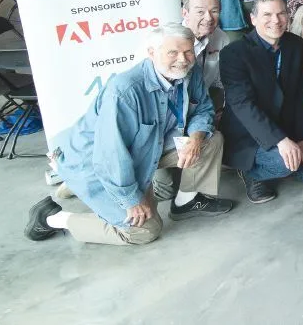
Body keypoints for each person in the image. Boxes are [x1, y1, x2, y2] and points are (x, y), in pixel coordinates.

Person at [26, 24, 235, 245]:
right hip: (98, 162)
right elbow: (110, 155)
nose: (182, 59)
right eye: (173, 52)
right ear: (152, 53)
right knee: (144, 231)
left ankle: (185, 202)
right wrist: (131, 200)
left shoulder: (188, 74)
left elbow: (203, 108)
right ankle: (53, 217)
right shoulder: (125, 92)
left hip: (147, 150)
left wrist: (196, 136)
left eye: (188, 51)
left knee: (210, 141)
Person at [219, 0, 303, 203]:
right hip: (250, 134)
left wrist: (301, 139)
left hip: (286, 125)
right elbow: (243, 105)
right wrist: (280, 141)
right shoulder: (233, 53)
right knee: (284, 164)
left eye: (281, 13)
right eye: (267, 14)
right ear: (253, 19)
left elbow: (302, 96)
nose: (276, 20)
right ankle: (250, 171)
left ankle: (282, 160)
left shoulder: (294, 44)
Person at [180, 0, 229, 108]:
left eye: (214, 11)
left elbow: (221, 81)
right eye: (200, 12)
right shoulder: (168, 40)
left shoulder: (221, 38)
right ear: (185, 13)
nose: (208, 18)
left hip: (203, 105)